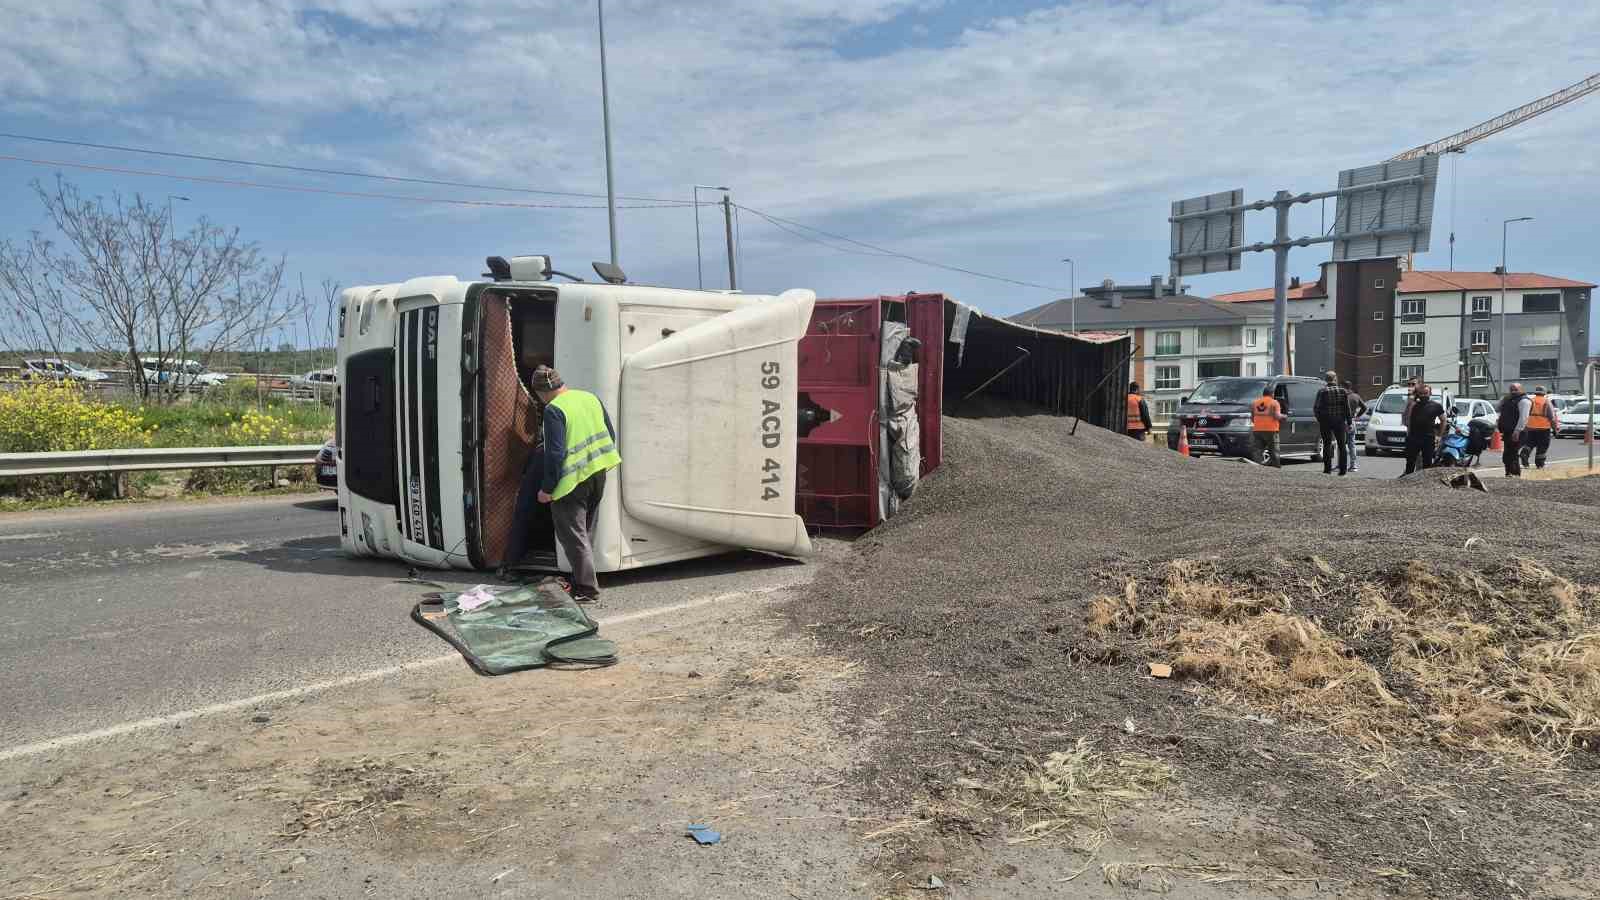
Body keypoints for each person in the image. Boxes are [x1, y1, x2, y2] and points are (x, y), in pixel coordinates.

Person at [529, 365, 621, 603]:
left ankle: (587, 590)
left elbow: (555, 455)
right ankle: (581, 582)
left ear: (541, 392)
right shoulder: (590, 398)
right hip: (598, 473)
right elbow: (610, 434)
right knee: (586, 532)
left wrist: (547, 490)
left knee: (573, 537)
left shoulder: (553, 410)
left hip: (570, 483)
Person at [1313, 371, 1352, 476]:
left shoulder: (1322, 391)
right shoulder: (1343, 391)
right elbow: (1347, 409)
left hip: (1326, 421)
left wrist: (1320, 419)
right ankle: (1342, 470)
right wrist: (1349, 422)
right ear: (1335, 379)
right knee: (1342, 446)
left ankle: (1327, 469)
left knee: (1327, 444)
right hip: (1339, 421)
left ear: (1326, 379)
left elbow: (1316, 408)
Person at [1403, 384, 1447, 475]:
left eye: (1425, 393)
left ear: (1430, 393)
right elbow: (1406, 420)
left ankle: (1426, 484)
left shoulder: (1436, 406)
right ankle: (1407, 483)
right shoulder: (1413, 405)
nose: (1423, 395)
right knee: (1410, 462)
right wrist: (1411, 401)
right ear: (1418, 394)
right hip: (1413, 438)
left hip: (1428, 438)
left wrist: (1439, 436)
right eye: (1421, 393)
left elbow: (1443, 420)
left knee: (1427, 463)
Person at [1518, 385, 1560, 471]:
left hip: (1530, 427)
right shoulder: (1546, 402)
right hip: (1543, 428)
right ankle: (1540, 464)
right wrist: (1555, 429)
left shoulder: (1530, 401)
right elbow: (1551, 417)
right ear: (1544, 393)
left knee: (1529, 443)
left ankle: (1524, 454)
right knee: (1542, 446)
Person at [1498, 382, 1530, 478]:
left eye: (1516, 389)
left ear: (1521, 390)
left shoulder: (1524, 401)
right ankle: (1508, 473)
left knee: (1512, 453)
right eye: (1511, 389)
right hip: (1507, 431)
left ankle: (1515, 474)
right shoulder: (1508, 399)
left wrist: (1517, 431)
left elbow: (1523, 418)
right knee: (1507, 454)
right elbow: (1501, 411)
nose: (1513, 391)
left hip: (1518, 432)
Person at [1250, 384, 1286, 468]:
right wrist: (1284, 416)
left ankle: (1257, 467)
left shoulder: (1255, 403)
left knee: (1257, 451)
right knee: (1274, 451)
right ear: (1272, 393)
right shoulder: (1274, 402)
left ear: (1263, 394)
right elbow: (1277, 416)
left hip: (1257, 430)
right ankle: (1276, 468)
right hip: (1271, 430)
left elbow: (1252, 417)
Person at [1342, 380, 1366, 473]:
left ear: (1344, 387)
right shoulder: (1356, 396)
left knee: (1341, 444)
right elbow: (1364, 407)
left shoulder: (1343, 396)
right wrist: (1357, 416)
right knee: (1352, 444)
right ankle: (1353, 465)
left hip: (1342, 422)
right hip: (1352, 421)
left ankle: (1341, 464)